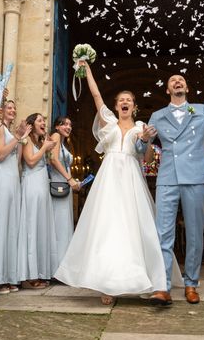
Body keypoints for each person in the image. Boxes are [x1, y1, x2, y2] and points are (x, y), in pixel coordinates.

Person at [54, 61, 166, 305]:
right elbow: (95, 94)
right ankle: (106, 283)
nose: (125, 102)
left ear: (134, 107)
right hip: (109, 179)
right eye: (121, 100)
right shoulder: (108, 122)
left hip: (132, 178)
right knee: (107, 226)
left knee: (132, 227)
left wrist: (146, 142)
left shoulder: (141, 128)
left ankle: (136, 279)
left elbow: (147, 159)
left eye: (129, 100)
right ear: (116, 106)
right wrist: (86, 69)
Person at [145, 73, 204, 305]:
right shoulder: (157, 116)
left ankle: (191, 283)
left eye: (181, 80)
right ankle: (162, 286)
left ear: (186, 87)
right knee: (163, 234)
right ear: (167, 90)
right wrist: (143, 139)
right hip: (167, 177)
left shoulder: (200, 110)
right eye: (172, 81)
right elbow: (144, 149)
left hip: (195, 177)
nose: (177, 82)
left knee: (195, 232)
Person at [0, 100, 30, 294]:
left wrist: (21, 137)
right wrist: (17, 137)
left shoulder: (11, 132)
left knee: (12, 226)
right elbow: (0, 154)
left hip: (13, 178)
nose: (13, 110)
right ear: (2, 111)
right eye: (9, 107)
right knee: (1, 223)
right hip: (1, 177)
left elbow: (18, 158)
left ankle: (9, 275)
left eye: (15, 108)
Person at [17, 113, 58, 288]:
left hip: (42, 185)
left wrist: (47, 149)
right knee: (31, 227)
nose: (44, 123)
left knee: (41, 227)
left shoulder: (41, 142)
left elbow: (45, 162)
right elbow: (30, 161)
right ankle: (29, 275)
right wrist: (44, 148)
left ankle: (40, 271)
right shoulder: (27, 141)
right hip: (31, 184)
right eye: (40, 120)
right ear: (32, 124)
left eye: (44, 120)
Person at [49, 116, 80, 267]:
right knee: (59, 225)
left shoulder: (63, 143)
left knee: (64, 225)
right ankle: (56, 265)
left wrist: (74, 181)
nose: (68, 127)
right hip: (58, 186)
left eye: (70, 125)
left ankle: (63, 264)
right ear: (57, 127)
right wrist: (69, 179)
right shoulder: (55, 136)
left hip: (64, 185)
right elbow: (53, 160)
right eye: (65, 124)